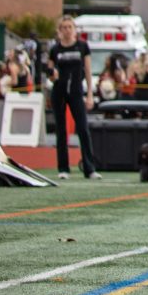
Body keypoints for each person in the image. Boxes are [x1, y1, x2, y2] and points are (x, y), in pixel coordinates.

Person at [47, 15, 101, 180]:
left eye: (70, 27)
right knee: (61, 130)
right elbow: (49, 70)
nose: (67, 30)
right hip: (60, 92)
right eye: (64, 27)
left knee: (83, 129)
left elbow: (88, 71)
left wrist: (90, 94)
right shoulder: (55, 49)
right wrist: (52, 75)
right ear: (59, 30)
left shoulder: (82, 47)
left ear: (74, 29)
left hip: (77, 91)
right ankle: (63, 168)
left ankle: (89, 168)